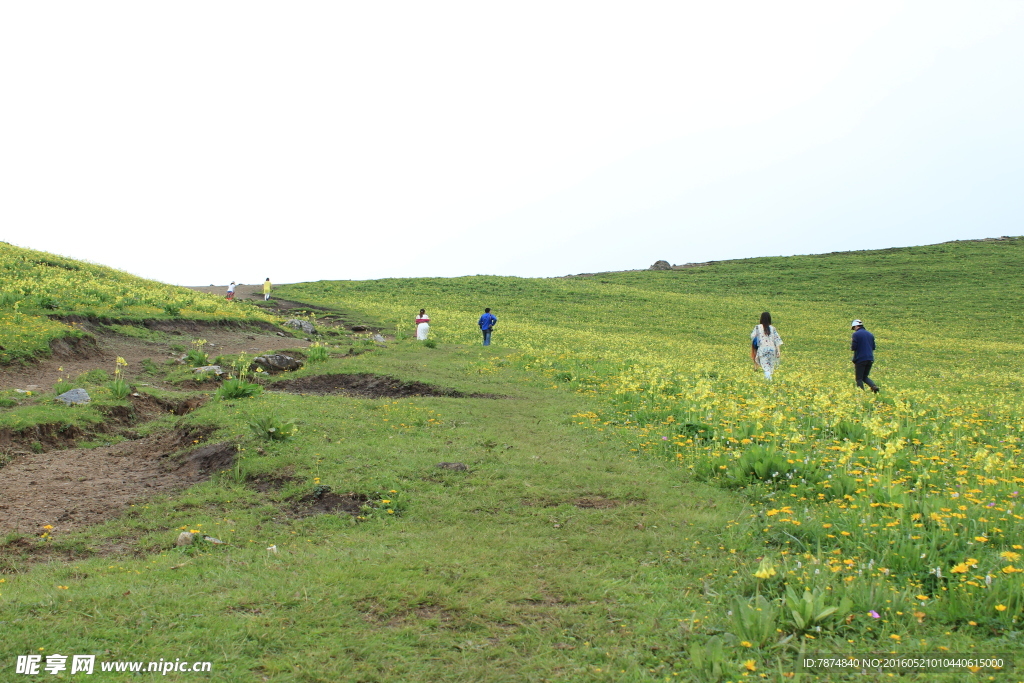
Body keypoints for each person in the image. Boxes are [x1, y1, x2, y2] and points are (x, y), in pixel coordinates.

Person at [750, 311, 783, 380]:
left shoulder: (757, 327)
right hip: (772, 350)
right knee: (770, 367)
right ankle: (769, 380)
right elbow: (777, 340)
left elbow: (753, 337)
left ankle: (768, 381)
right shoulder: (772, 328)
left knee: (765, 367)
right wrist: (778, 351)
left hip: (762, 349)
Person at [850, 319, 879, 392]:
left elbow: (854, 347)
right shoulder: (870, 334)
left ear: (856, 326)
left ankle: (861, 393)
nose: (854, 330)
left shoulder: (856, 334)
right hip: (870, 358)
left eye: (854, 328)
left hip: (860, 359)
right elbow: (873, 347)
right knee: (864, 376)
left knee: (859, 378)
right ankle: (874, 386)